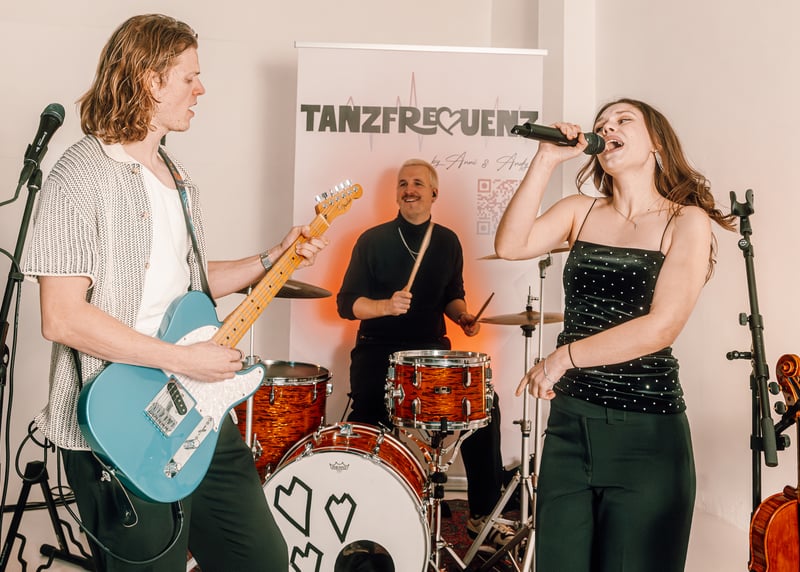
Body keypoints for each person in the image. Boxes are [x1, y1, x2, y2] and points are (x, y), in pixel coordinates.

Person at [22, 14, 327, 571]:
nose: (201, 89)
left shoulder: (176, 177)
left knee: (259, 560)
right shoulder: (80, 175)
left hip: (195, 405)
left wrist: (270, 259)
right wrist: (183, 359)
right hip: (117, 425)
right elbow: (62, 317)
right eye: (189, 77)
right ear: (150, 79)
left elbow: (188, 284)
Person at [494, 98, 735, 571]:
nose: (607, 128)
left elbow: (661, 326)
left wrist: (561, 359)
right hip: (569, 426)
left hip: (645, 433)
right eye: (602, 124)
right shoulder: (579, 211)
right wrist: (546, 159)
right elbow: (510, 244)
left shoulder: (685, 220)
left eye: (623, 121)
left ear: (657, 143)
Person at [336, 158, 512, 549]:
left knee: (484, 405)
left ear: (434, 193)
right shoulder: (372, 240)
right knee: (368, 421)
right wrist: (385, 306)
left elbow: (453, 294)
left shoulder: (447, 241)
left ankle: (481, 515)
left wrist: (462, 315)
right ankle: (364, 515)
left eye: (417, 183)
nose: (409, 189)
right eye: (402, 183)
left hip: (431, 354)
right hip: (378, 351)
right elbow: (346, 304)